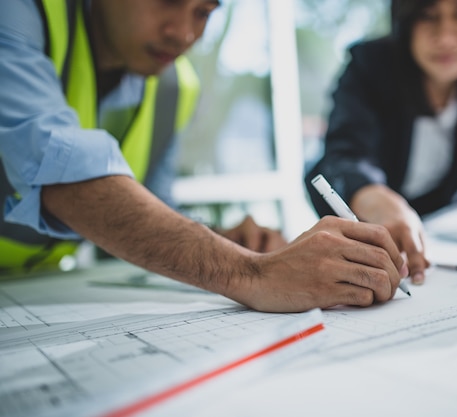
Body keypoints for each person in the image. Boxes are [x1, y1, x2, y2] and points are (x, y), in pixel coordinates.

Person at [0, 0, 408, 313]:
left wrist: (222, 240)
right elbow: (61, 176)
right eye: (167, 0)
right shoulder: (18, 14)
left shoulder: (174, 85)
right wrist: (249, 271)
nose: (182, 33)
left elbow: (150, 216)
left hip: (36, 294)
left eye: (203, 11)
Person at [306, 0, 457, 285]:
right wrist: (376, 199)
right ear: (406, 22)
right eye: (427, 16)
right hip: (365, 224)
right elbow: (345, 152)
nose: (446, 37)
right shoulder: (370, 65)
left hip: (440, 232)